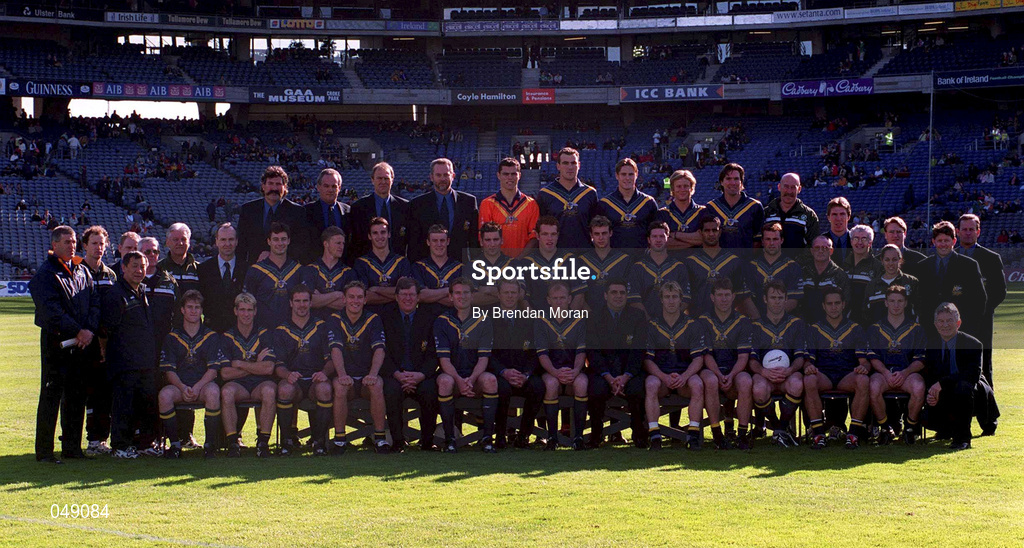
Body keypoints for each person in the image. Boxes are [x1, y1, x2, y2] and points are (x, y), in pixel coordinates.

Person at [29, 225, 100, 463]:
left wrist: (88, 330)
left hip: (81, 344)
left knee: (76, 396)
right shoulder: (45, 274)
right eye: (67, 242)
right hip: (56, 344)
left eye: (73, 241)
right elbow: (51, 312)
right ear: (55, 245)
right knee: (51, 395)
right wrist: (78, 330)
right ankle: (45, 452)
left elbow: (94, 302)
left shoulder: (81, 270)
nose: (72, 245)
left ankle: (72, 447)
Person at [102, 251, 161, 459]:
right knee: (123, 406)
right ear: (123, 268)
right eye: (134, 266)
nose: (139, 270)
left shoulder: (142, 290)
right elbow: (106, 329)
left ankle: (145, 443)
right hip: (124, 363)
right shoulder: (116, 293)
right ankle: (120, 446)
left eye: (142, 266)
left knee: (146, 404)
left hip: (145, 361)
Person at [157, 290, 226, 459]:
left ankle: (210, 445)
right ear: (182, 310)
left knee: (213, 391)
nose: (193, 311)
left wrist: (196, 387)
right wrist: (182, 387)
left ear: (202, 310)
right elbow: (169, 370)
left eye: (197, 307)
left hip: (202, 385)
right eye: (189, 307)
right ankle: (174, 444)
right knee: (164, 395)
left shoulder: (211, 336)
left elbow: (213, 370)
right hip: (180, 385)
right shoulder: (172, 337)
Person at [433, 278, 498, 453]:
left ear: (472, 295)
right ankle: (450, 440)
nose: (462, 296)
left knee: (491, 380)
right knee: (445, 382)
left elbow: (483, 359)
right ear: (451, 297)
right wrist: (459, 381)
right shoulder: (442, 321)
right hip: (452, 376)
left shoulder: (483, 319)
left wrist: (471, 379)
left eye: (466, 292)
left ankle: (487, 439)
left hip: (474, 376)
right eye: (458, 293)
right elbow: (444, 361)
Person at [803, 287, 871, 450]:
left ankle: (853, 434)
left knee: (863, 379)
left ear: (843, 305)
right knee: (809, 379)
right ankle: (818, 434)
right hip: (824, 375)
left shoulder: (855, 328)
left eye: (837, 303)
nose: (833, 307)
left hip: (846, 376)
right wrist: (808, 367)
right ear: (823, 306)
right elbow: (807, 361)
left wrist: (863, 368)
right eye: (830, 303)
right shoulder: (814, 329)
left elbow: (865, 362)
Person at [642, 281, 706, 450]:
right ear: (661, 300)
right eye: (667, 297)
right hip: (662, 378)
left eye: (674, 297)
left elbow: (698, 359)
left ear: (681, 300)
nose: (671, 301)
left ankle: (692, 434)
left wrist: (684, 376)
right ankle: (655, 434)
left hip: (685, 377)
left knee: (698, 384)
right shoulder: (652, 326)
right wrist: (663, 377)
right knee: (650, 384)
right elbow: (648, 360)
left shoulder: (692, 325)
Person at [924, 303, 997, 450]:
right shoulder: (929, 344)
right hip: (943, 391)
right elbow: (929, 373)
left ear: (958, 323)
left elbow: (971, 375)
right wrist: (930, 392)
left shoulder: (973, 344)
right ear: (935, 324)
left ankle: (962, 439)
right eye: (941, 321)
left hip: (970, 391)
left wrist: (941, 384)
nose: (945, 325)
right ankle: (945, 428)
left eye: (949, 320)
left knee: (962, 387)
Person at [328, 281, 389, 455]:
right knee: (339, 386)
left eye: (359, 297)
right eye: (351, 297)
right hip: (346, 375)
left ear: (365, 299)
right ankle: (340, 439)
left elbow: (379, 349)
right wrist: (342, 374)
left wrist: (373, 374)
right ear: (344, 299)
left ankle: (380, 438)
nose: (355, 301)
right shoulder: (335, 319)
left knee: (376, 384)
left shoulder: (373, 319)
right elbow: (335, 349)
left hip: (365, 377)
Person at [273, 284, 334, 456]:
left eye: (305, 301)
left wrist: (324, 373)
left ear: (311, 303)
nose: (301, 305)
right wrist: (287, 375)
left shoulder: (321, 326)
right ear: (291, 303)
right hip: (295, 382)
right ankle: (287, 442)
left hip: (315, 379)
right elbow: (278, 366)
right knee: (284, 389)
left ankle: (319, 442)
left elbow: (331, 360)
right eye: (297, 301)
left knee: (325, 388)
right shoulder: (281, 330)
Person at [586, 279, 647, 448]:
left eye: (622, 293)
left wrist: (625, 376)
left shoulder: (638, 316)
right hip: (603, 372)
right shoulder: (594, 317)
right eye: (614, 292)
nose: (618, 296)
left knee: (637, 389)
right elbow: (593, 352)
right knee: (596, 389)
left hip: (630, 371)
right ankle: (597, 434)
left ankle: (639, 433)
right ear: (605, 295)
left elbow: (638, 351)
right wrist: (608, 377)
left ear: (627, 295)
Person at [380, 277, 439, 452]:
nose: (408, 299)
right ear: (396, 297)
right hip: (395, 374)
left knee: (430, 390)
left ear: (418, 297)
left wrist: (420, 375)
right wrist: (397, 374)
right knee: (391, 391)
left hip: (421, 374)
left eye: (412, 295)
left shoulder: (429, 319)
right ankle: (398, 442)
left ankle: (427, 441)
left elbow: (434, 354)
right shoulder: (385, 318)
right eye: (404, 295)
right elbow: (381, 352)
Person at [748, 279, 806, 448]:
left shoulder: (796, 324)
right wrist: (763, 372)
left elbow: (800, 358)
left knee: (797, 384)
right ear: (765, 299)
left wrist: (790, 370)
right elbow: (752, 360)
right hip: (765, 375)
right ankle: (778, 426)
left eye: (780, 298)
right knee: (758, 389)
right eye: (773, 297)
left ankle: (780, 428)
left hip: (788, 373)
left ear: (786, 299)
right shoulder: (757, 326)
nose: (777, 301)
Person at [865, 285, 927, 445]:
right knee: (872, 386)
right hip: (884, 374)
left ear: (906, 303)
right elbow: (873, 358)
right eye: (892, 301)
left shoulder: (916, 328)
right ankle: (885, 428)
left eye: (900, 301)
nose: (896, 305)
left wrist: (905, 373)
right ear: (885, 303)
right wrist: (886, 373)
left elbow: (920, 360)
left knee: (919, 387)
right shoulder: (875, 328)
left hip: (907, 374)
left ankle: (909, 428)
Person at [697, 278, 754, 450]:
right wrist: (719, 374)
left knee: (746, 381)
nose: (723, 299)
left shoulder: (743, 321)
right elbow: (706, 356)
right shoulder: (703, 321)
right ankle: (717, 435)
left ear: (733, 297)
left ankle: (742, 435)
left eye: (727, 295)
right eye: (720, 295)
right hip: (711, 369)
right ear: (712, 297)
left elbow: (743, 357)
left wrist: (731, 375)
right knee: (710, 380)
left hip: (735, 370)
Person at [220, 293, 278, 458]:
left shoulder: (264, 334)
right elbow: (225, 373)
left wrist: (240, 364)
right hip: (239, 385)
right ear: (235, 311)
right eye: (242, 310)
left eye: (249, 310)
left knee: (269, 391)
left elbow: (268, 368)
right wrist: (255, 363)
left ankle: (263, 442)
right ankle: (232, 443)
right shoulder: (227, 336)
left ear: (255, 311)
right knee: (226, 391)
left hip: (261, 383)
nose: (246, 314)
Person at [489, 279, 544, 449]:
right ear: (498, 294)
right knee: (502, 390)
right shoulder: (488, 318)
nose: (510, 296)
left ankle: (524, 435)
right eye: (506, 292)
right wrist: (504, 371)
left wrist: (526, 374)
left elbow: (537, 352)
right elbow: (485, 352)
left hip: (524, 374)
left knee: (538, 387)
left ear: (520, 294)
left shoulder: (530, 319)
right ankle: (500, 435)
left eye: (514, 292)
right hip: (500, 373)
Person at [535, 281, 589, 451]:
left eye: (563, 297)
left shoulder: (579, 320)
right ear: (548, 300)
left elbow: (581, 352)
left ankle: (578, 437)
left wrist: (575, 371)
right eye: (555, 298)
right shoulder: (541, 321)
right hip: (551, 371)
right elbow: (542, 355)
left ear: (569, 299)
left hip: (574, 370)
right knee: (550, 385)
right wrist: (556, 373)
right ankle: (552, 437)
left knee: (582, 383)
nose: (559, 301)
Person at [914, 221, 987, 342]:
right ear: (934, 242)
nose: (943, 244)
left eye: (947, 240)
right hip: (929, 330)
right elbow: (917, 299)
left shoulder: (969, 265)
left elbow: (979, 299)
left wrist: (970, 327)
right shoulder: (922, 266)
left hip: (961, 330)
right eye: (940, 241)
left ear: (954, 241)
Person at [956, 213, 1006, 389]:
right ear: (957, 232)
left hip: (981, 321)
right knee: (955, 362)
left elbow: (999, 292)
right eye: (964, 229)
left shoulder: (991, 258)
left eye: (972, 229)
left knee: (984, 364)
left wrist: (980, 311)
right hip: (953, 322)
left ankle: (988, 412)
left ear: (979, 231)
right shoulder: (949, 258)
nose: (968, 233)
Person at [79, 225, 117, 457]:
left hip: (105, 343)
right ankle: (71, 439)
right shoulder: (76, 270)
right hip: (82, 341)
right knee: (77, 393)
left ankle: (98, 439)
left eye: (102, 243)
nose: (98, 248)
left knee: (102, 392)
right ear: (84, 245)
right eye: (94, 243)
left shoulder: (110, 275)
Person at [408, 158, 479, 263]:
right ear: (431, 177)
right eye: (438, 175)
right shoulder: (417, 204)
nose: (442, 179)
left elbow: (474, 241)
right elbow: (414, 242)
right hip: (428, 267)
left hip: (460, 265)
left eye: (446, 175)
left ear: (453, 176)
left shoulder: (469, 202)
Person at [237, 166, 310, 265]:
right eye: (270, 183)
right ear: (263, 186)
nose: (274, 188)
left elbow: (301, 244)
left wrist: (273, 255)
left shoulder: (297, 212)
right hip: (254, 268)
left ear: (284, 187)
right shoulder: (248, 210)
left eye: (278, 184)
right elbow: (241, 244)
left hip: (285, 269)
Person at [244, 222, 306, 329]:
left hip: (292, 332)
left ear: (289, 241)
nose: (280, 243)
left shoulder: (298, 270)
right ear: (269, 241)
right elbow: (247, 303)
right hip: (263, 331)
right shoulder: (255, 270)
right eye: (276, 239)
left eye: (283, 239)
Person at [684, 214, 748, 318]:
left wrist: (757, 320)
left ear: (720, 232)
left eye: (715, 230)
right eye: (707, 230)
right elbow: (685, 299)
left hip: (726, 324)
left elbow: (743, 297)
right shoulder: (690, 262)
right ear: (700, 233)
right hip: (698, 323)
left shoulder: (733, 261)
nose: (711, 234)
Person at [536, 147, 599, 249]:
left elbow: (595, 227)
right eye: (565, 163)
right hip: (555, 256)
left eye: (573, 163)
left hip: (584, 255)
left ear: (579, 165)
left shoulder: (590, 193)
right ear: (558, 166)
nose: (570, 167)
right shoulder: (545, 194)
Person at [348, 162, 411, 261]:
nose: (383, 182)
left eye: (386, 178)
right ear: (372, 180)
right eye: (379, 178)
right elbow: (355, 241)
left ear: (392, 180)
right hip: (368, 265)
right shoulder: (358, 207)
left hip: (398, 264)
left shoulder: (405, 207)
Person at [478, 157, 539, 257]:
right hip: (496, 264)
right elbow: (485, 238)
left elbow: (534, 237)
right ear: (498, 175)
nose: (510, 177)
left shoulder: (531, 204)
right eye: (505, 174)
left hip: (524, 263)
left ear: (519, 175)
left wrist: (519, 261)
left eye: (513, 174)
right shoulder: (487, 204)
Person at [629, 221, 690, 319]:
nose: (658, 240)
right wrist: (649, 321)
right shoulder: (638, 267)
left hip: (672, 325)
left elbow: (685, 300)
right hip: (645, 324)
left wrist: (669, 318)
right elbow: (634, 300)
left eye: (662, 236)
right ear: (649, 239)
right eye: (654, 236)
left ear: (667, 239)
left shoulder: (678, 267)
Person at [596, 158, 659, 252]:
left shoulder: (648, 202)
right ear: (617, 176)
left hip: (642, 260)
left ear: (636, 175)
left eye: (631, 174)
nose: (627, 178)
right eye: (623, 174)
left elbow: (656, 232)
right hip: (614, 259)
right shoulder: (605, 204)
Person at [519, 216, 580, 311]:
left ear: (558, 235)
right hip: (537, 321)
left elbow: (579, 295)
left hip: (566, 321)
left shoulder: (570, 259)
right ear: (537, 236)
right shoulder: (526, 262)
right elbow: (524, 300)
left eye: (553, 234)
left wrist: (567, 321)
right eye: (545, 234)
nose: (549, 238)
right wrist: (537, 322)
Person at [354, 217, 413, 314]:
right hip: (370, 316)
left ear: (389, 234)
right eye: (375, 233)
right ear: (369, 236)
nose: (379, 236)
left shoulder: (402, 261)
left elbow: (406, 294)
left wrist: (376, 289)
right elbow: (365, 296)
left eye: (383, 232)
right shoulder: (361, 263)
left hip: (397, 315)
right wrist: (395, 293)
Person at [197, 223, 249, 333]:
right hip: (211, 332)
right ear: (216, 241)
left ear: (236, 241)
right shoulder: (203, 269)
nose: (227, 244)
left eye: (231, 239)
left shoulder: (247, 269)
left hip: (240, 332)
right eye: (223, 240)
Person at [745, 222, 803, 320]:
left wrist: (774, 318)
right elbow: (746, 299)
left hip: (784, 323)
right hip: (757, 323)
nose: (771, 243)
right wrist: (759, 320)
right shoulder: (751, 267)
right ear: (762, 241)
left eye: (775, 239)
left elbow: (793, 300)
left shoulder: (792, 266)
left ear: (782, 240)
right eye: (768, 239)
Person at [576, 216, 633, 311]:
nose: (601, 237)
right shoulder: (582, 261)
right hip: (590, 317)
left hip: (618, 316)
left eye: (604, 233)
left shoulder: (624, 260)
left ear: (610, 233)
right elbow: (579, 296)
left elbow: (629, 293)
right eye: (597, 234)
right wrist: (591, 316)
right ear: (591, 235)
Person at [705, 163, 764, 249]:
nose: (732, 183)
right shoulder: (712, 207)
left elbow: (758, 241)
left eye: (736, 179)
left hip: (746, 260)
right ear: (721, 182)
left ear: (741, 182)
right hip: (718, 260)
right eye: (728, 179)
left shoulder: (755, 207)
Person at [305, 226, 357, 321]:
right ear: (326, 244)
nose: (341, 247)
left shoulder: (348, 272)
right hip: (315, 326)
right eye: (338, 243)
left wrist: (320, 297)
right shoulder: (311, 269)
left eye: (343, 243)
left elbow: (348, 304)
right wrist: (337, 294)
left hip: (340, 325)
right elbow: (308, 301)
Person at [412, 224, 463, 316]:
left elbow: (460, 300)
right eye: (435, 241)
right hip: (426, 319)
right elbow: (420, 296)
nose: (439, 244)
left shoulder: (460, 268)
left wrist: (431, 293)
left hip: (453, 320)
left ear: (448, 241)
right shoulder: (419, 267)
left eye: (442, 240)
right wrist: (449, 290)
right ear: (428, 242)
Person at [800, 235, 851, 323]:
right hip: (805, 326)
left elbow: (845, 304)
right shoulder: (803, 272)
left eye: (824, 248)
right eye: (817, 248)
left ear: (831, 251)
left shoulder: (839, 274)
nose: (820, 251)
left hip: (829, 328)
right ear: (811, 251)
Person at [863, 244, 919, 324]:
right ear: (882, 261)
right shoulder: (872, 285)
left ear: (900, 260)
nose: (891, 263)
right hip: (878, 333)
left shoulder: (911, 282)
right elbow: (866, 313)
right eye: (887, 260)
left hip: (905, 333)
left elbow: (918, 311)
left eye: (894, 259)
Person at [762, 173, 820, 250]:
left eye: (793, 187)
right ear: (779, 187)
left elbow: (814, 245)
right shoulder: (766, 212)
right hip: (769, 261)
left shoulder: (809, 215)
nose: (789, 191)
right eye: (786, 186)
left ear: (799, 189)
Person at [304, 168, 351, 263]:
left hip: (343, 268)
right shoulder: (306, 211)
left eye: (334, 186)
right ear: (318, 187)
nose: (330, 190)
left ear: (339, 188)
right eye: (326, 186)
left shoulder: (348, 211)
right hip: (315, 267)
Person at [842, 224, 883, 326]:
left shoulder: (878, 267)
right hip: (844, 322)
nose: (859, 242)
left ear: (870, 242)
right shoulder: (843, 265)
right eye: (856, 238)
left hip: (869, 323)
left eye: (864, 239)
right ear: (851, 241)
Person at [470, 222, 517, 307]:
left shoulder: (513, 264)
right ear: (481, 242)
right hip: (480, 317)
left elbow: (520, 294)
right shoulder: (472, 266)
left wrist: (488, 290)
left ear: (502, 240)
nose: (492, 244)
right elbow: (470, 299)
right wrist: (507, 294)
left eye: (495, 239)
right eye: (488, 240)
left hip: (508, 317)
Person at [657, 170, 705, 251]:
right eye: (678, 186)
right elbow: (663, 243)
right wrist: (693, 240)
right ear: (672, 189)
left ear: (691, 188)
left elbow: (705, 239)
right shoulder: (662, 214)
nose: (682, 189)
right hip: (670, 261)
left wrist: (675, 235)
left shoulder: (703, 212)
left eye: (686, 186)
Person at [157, 223, 200, 294]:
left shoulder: (199, 269)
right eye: (175, 239)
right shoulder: (159, 268)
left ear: (189, 242)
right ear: (167, 242)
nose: (180, 243)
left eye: (183, 239)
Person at [824, 197, 853, 264]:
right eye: (834, 214)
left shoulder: (857, 241)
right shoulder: (821, 241)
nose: (838, 218)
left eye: (842, 214)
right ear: (828, 217)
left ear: (848, 217)